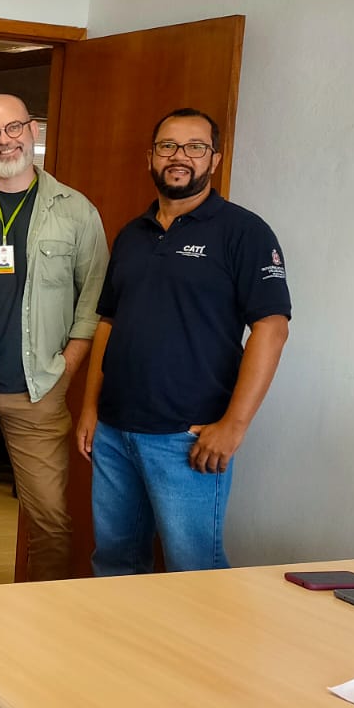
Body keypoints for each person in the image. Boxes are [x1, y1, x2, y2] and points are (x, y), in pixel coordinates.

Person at [76, 108, 291, 575]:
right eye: (168, 146)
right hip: (115, 432)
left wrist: (234, 425)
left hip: (187, 437)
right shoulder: (133, 234)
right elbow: (108, 323)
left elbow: (272, 329)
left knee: (194, 569)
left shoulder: (244, 232)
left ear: (213, 159)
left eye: (195, 147)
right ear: (150, 157)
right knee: (114, 561)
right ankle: (121, 650)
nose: (180, 157)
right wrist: (91, 408)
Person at [0, 94, 108, 593]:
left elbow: (94, 300)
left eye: (12, 128)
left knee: (51, 520)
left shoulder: (75, 211)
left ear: (32, 130)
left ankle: (41, 629)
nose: (3, 140)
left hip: (40, 389)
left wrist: (66, 369)